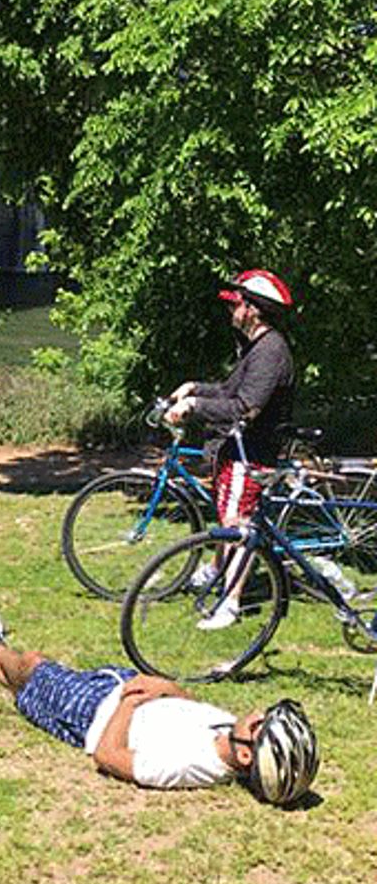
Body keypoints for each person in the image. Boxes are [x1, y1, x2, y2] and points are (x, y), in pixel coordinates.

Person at [0, 607, 320, 803]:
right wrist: (164, 686)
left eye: (262, 724)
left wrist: (129, 704)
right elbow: (190, 705)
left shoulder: (189, 766)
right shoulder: (228, 732)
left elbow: (108, 757)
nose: (258, 714)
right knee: (30, 690)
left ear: (245, 756)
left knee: (33, 666)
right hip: (118, 688)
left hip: (93, 712)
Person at [164, 269, 296, 629]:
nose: (230, 310)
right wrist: (195, 389)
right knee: (227, 518)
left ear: (253, 309)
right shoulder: (257, 347)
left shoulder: (271, 352)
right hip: (235, 449)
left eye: (235, 303)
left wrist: (194, 408)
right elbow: (228, 392)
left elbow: (244, 407)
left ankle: (231, 604)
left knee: (238, 526)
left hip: (252, 452)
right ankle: (215, 571)